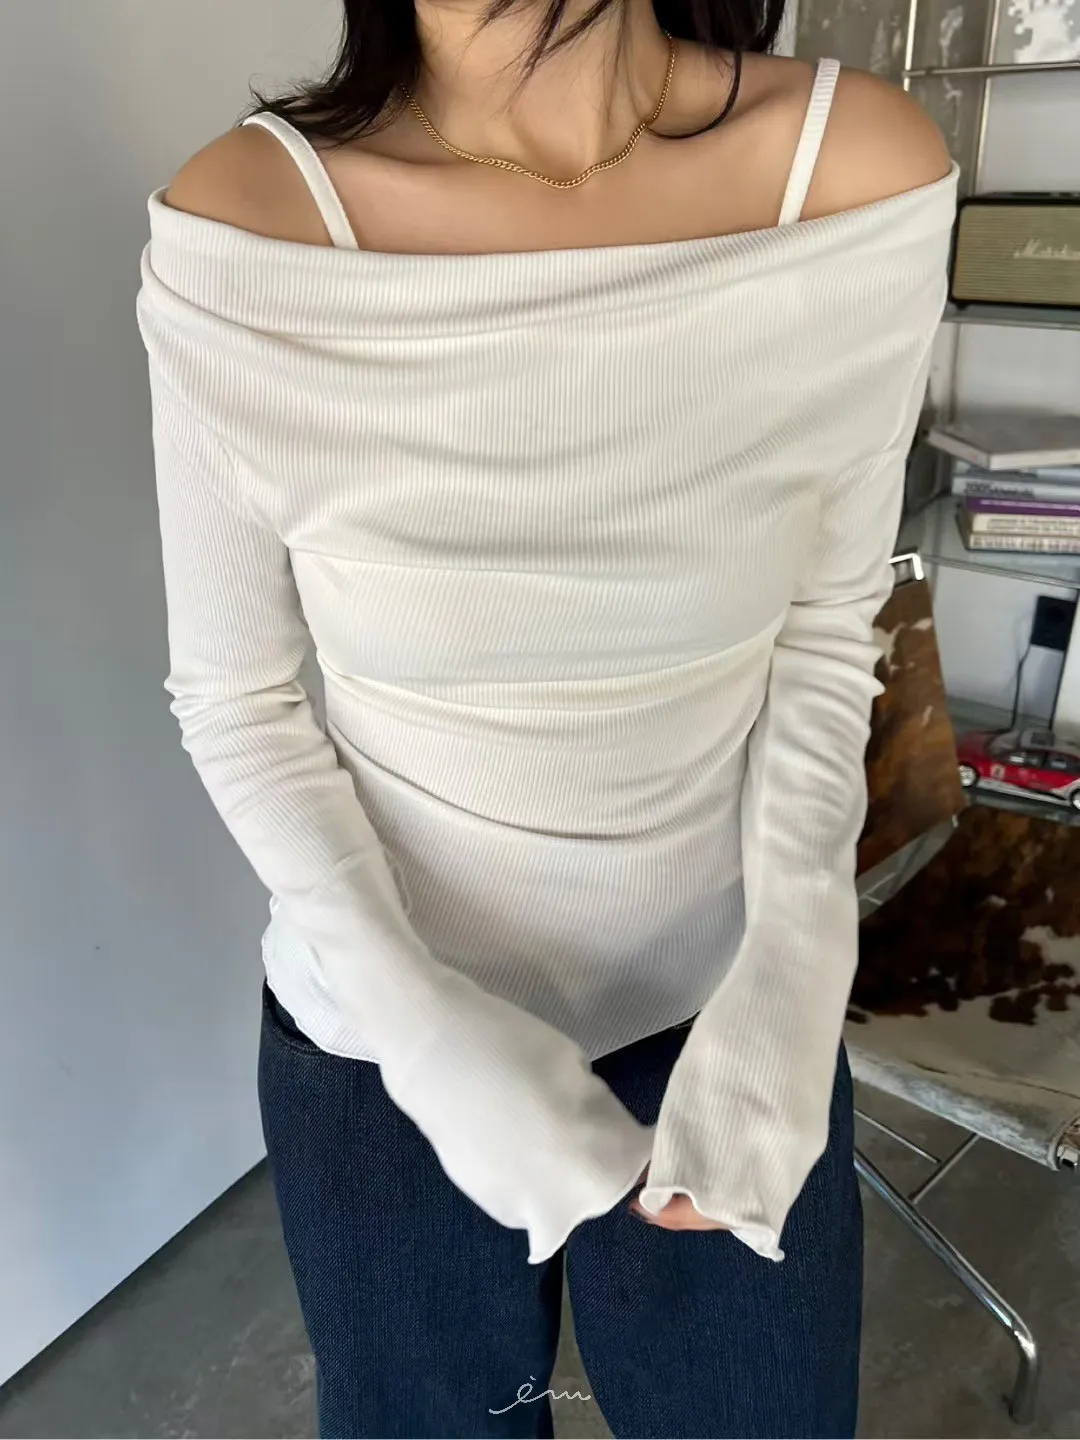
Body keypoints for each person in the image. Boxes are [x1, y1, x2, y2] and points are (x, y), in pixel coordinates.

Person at [136, 0, 955, 1430]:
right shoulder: (245, 229)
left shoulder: (852, 171)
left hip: (727, 1015)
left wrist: (795, 968)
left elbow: (831, 629)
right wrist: (422, 1033)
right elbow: (238, 699)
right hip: (380, 1036)